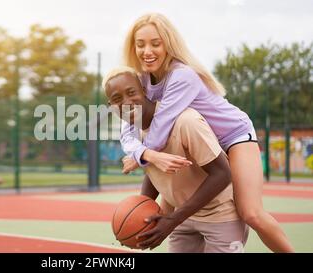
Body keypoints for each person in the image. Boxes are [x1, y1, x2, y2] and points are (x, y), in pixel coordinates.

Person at [118, 12, 294, 252]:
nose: (147, 51)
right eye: (140, 45)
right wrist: (142, 198)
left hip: (233, 136)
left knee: (251, 212)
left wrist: (141, 156)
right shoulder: (142, 81)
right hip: (200, 141)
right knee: (169, 210)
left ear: (168, 44)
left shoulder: (181, 76)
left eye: (155, 44)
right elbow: (128, 132)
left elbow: (158, 134)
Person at [104, 67, 248, 252]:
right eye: (117, 99)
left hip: (220, 215)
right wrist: (139, 218)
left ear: (145, 90)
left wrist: (173, 219)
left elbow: (223, 173)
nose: (126, 103)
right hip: (184, 217)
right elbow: (155, 170)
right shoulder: (134, 134)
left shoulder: (186, 121)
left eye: (131, 93)